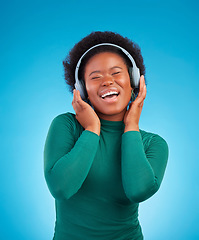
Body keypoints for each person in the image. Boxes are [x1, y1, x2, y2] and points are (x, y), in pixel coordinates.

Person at [44, 31, 169, 240]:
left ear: (134, 81)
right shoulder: (66, 126)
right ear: (82, 89)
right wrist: (92, 129)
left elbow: (138, 190)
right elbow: (61, 188)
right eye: (96, 76)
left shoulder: (152, 144)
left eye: (116, 73)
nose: (107, 81)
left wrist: (131, 126)